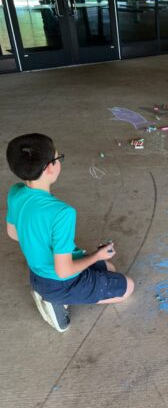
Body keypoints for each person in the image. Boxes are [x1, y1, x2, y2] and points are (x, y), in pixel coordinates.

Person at [5, 133, 134, 333]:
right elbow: (63, 271)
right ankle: (55, 301)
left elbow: (13, 234)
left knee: (110, 268)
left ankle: (48, 292)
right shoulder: (62, 213)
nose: (59, 162)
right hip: (59, 283)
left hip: (37, 274)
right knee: (128, 287)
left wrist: (38, 240)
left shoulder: (16, 191)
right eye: (59, 158)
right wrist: (96, 255)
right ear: (50, 168)